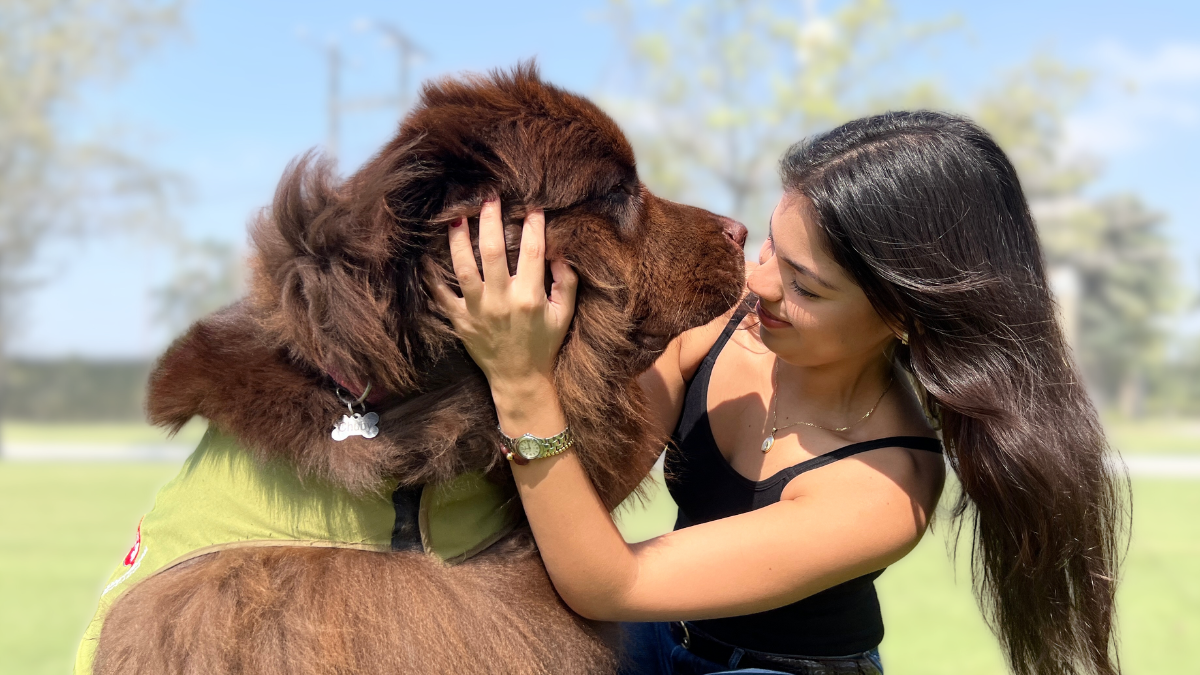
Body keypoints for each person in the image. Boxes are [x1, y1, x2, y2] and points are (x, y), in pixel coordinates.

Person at [427, 111, 1123, 675]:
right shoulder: (722, 331)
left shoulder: (886, 485)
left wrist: (521, 380)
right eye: (769, 250)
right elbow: (589, 482)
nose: (757, 284)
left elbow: (610, 583)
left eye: (805, 285)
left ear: (904, 312)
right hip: (658, 637)